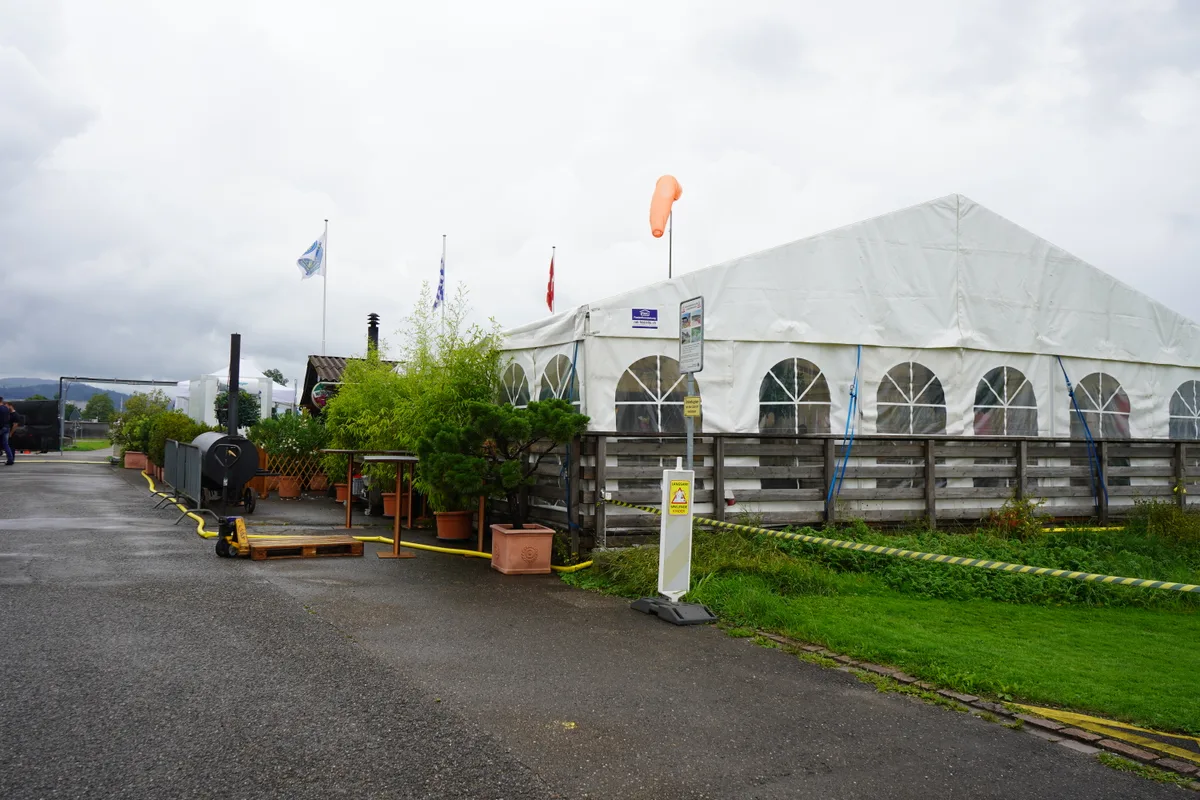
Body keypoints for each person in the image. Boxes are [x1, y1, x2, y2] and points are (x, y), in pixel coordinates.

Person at [0, 398, 12, 465]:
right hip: (7, 427)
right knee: (6, 444)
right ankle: (10, 460)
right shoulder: (6, 408)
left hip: (1, 428)